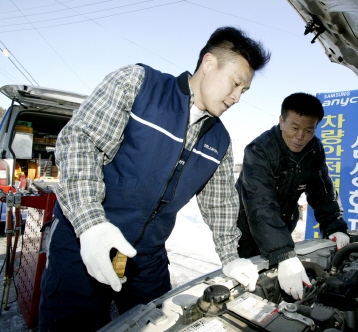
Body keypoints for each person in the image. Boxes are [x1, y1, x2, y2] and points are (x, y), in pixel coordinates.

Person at [39, 26, 271, 332]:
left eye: (244, 91)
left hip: (145, 259)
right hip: (83, 242)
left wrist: (231, 257)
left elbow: (221, 204)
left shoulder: (220, 142)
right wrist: (91, 225)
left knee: (162, 324)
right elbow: (81, 144)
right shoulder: (138, 85)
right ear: (209, 63)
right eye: (236, 84)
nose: (237, 97)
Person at [235, 92, 349, 300]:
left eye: (309, 130)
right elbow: (260, 204)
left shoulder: (314, 149)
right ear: (281, 121)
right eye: (295, 128)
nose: (300, 137)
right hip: (247, 230)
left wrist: (333, 223)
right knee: (250, 287)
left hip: (283, 224)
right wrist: (283, 254)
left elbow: (322, 189)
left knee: (284, 283)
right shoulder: (259, 150)